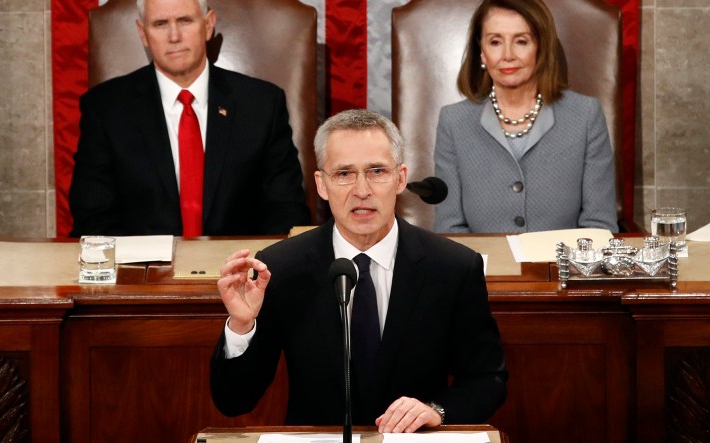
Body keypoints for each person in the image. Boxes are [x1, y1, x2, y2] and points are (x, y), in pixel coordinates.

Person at [210, 109, 507, 432]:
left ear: (400, 178)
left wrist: (437, 410)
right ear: (322, 185)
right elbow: (234, 401)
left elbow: (486, 379)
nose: (361, 190)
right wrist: (242, 326)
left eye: (377, 171)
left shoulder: (452, 267)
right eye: (344, 174)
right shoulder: (283, 266)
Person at [68, 0, 310, 237]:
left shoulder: (261, 105)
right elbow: (93, 216)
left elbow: (286, 211)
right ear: (143, 33)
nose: (174, 36)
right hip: (141, 272)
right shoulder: (106, 108)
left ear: (208, 24)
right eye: (161, 23)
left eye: (185, 21)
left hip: (239, 269)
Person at [433, 0, 618, 234]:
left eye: (521, 41)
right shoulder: (453, 122)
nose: (507, 55)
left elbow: (599, 226)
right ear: (482, 52)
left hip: (561, 268)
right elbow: (450, 228)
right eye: (495, 42)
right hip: (480, 268)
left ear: (540, 48)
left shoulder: (585, 116)